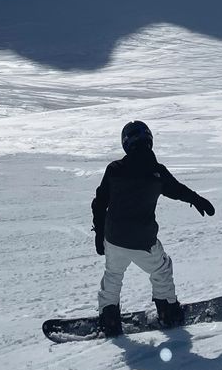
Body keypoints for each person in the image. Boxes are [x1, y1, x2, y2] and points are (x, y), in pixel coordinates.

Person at [91, 120, 215, 336]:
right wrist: (197, 200)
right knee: (162, 270)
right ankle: (168, 311)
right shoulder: (156, 172)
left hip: (114, 238)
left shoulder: (115, 170)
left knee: (112, 275)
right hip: (143, 241)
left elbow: (99, 203)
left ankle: (109, 318)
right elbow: (177, 190)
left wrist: (100, 235)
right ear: (149, 140)